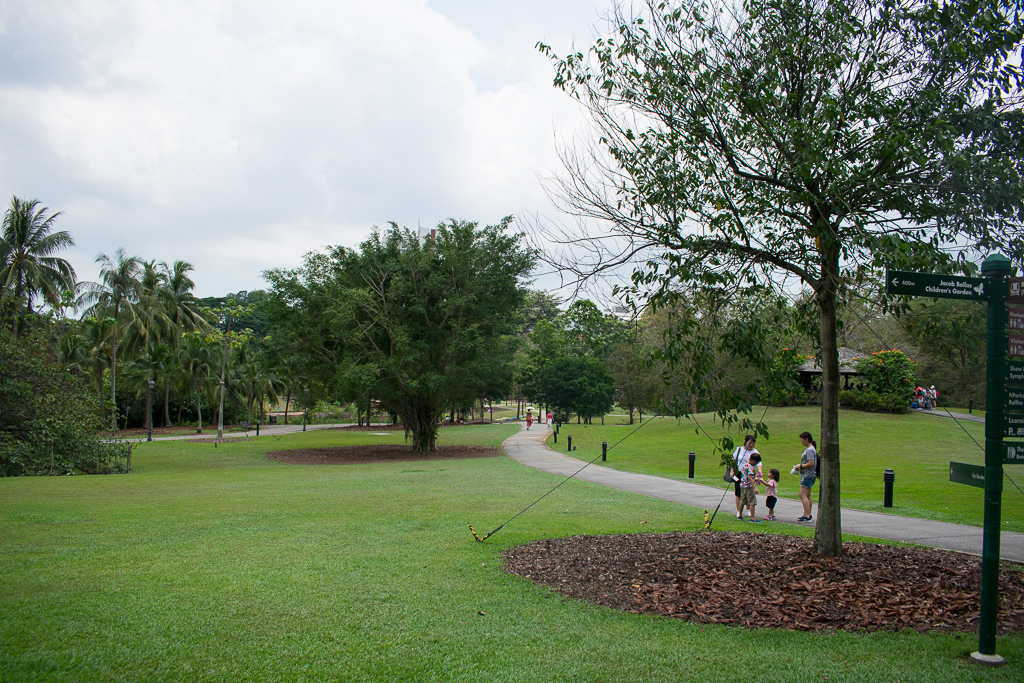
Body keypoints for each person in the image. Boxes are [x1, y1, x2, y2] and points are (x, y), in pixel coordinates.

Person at [730, 435, 760, 519]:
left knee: (748, 492)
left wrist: (759, 472)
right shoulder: (739, 449)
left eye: (753, 443)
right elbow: (733, 460)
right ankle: (739, 511)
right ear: (745, 442)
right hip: (739, 472)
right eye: (749, 443)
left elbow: (759, 463)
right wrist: (732, 471)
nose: (751, 445)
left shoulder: (755, 451)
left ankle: (747, 510)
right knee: (739, 492)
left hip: (749, 474)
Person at [795, 431, 817, 522]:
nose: (801, 442)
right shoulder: (810, 449)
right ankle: (807, 513)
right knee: (807, 495)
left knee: (802, 495)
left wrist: (801, 466)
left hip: (807, 475)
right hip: (808, 474)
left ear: (806, 439)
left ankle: (807, 516)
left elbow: (811, 463)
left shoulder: (810, 450)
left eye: (802, 440)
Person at [740, 453, 763, 522]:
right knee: (752, 502)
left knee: (742, 501)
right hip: (749, 486)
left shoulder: (745, 465)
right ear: (753, 462)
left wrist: (754, 479)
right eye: (756, 463)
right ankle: (752, 518)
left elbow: (746, 476)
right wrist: (754, 487)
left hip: (743, 485)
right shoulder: (750, 467)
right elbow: (749, 477)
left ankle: (739, 515)